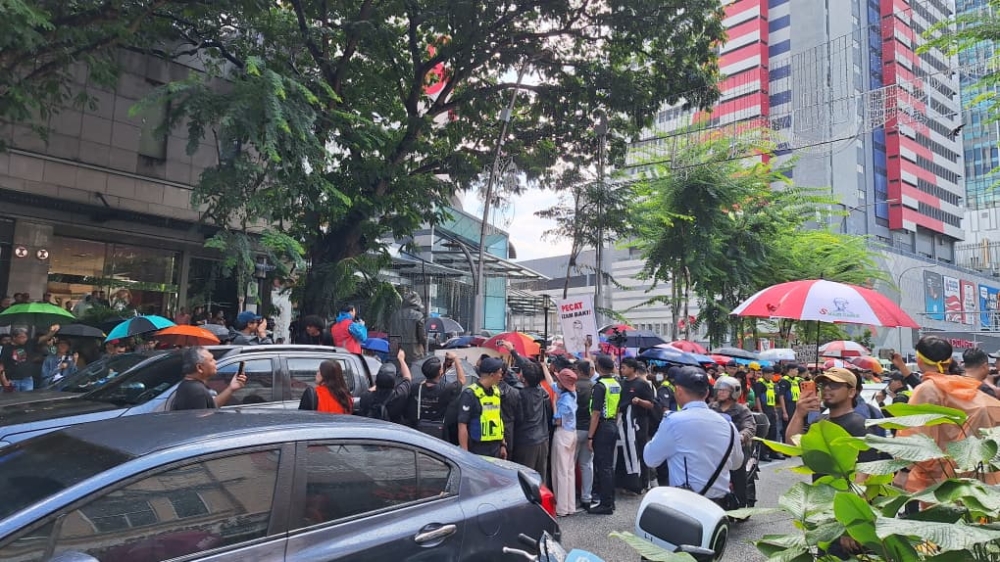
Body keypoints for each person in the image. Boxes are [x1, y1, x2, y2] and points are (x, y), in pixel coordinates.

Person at [895, 336, 1000, 494]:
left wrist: (903, 472)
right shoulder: (961, 385)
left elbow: (916, 436)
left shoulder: (927, 389)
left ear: (919, 359)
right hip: (970, 472)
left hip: (937, 479)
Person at [643, 366, 744, 508]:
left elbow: (650, 459)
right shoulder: (728, 425)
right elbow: (736, 463)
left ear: (678, 390)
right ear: (707, 392)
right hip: (720, 508)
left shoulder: (672, 422)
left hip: (687, 507)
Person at [710, 375, 758, 507]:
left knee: (738, 474)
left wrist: (740, 436)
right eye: (719, 389)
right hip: (715, 448)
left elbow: (750, 427)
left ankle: (741, 506)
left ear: (734, 392)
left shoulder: (742, 409)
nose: (720, 392)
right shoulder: (711, 408)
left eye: (724, 390)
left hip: (737, 448)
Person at [586, 355, 621, 515]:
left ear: (599, 367)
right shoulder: (616, 384)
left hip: (602, 426)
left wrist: (590, 437)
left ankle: (606, 504)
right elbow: (618, 408)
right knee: (608, 466)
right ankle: (610, 501)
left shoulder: (600, 386)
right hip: (612, 424)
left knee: (603, 466)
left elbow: (596, 413)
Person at [617, 357, 655, 494]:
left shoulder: (642, 384)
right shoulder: (621, 384)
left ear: (633, 369)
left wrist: (639, 401)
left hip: (639, 422)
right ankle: (627, 483)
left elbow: (651, 404)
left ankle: (643, 482)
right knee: (625, 452)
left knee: (640, 451)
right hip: (624, 424)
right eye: (621, 368)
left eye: (624, 368)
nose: (622, 370)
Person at [458, 357, 507, 459]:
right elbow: (462, 425)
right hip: (477, 449)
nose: (501, 376)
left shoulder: (497, 392)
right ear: (492, 375)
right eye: (500, 373)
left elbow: (499, 420)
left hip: (495, 448)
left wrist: (503, 445)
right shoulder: (470, 394)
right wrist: (464, 455)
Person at [409, 352, 466, 439]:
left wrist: (441, 370)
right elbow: (462, 380)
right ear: (439, 372)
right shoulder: (446, 388)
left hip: (420, 431)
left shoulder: (416, 388)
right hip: (439, 433)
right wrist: (456, 359)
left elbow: (432, 379)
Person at [171, 347, 247, 410]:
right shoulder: (196, 390)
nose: (215, 362)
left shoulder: (190, 386)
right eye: (211, 360)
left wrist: (231, 388)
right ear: (200, 368)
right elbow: (202, 422)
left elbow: (212, 406)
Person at [513, 360, 553, 479]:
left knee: (527, 479)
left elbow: (519, 418)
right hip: (543, 438)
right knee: (541, 476)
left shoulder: (520, 395)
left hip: (527, 441)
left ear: (524, 379)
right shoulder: (542, 392)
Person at [551, 368, 579, 517]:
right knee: (569, 471)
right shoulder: (572, 394)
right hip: (572, 434)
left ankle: (561, 508)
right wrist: (543, 366)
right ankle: (570, 506)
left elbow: (558, 421)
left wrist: (554, 405)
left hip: (562, 434)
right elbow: (553, 385)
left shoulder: (564, 400)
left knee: (560, 471)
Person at [358, 349, 412, 422]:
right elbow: (407, 378)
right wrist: (401, 359)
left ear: (376, 381)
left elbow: (368, 392)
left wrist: (376, 385)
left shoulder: (365, 397)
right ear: (393, 384)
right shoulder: (399, 396)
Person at [573, 359, 596, 509]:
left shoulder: (573, 386)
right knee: (586, 465)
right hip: (590, 430)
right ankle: (586, 497)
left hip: (574, 429)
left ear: (580, 371)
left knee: (569, 466)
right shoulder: (595, 387)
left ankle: (570, 498)